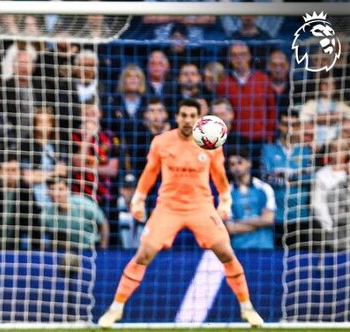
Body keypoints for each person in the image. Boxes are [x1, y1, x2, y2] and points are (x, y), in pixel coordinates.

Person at [98, 99, 263, 328]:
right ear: (177, 117)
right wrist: (138, 198)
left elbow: (219, 175)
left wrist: (225, 199)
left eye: (191, 115)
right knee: (143, 254)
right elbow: (150, 172)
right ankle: (115, 308)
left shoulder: (210, 142)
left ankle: (247, 308)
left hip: (201, 206)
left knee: (226, 253)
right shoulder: (161, 142)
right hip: (168, 207)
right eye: (183, 115)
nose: (187, 120)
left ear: (198, 118)